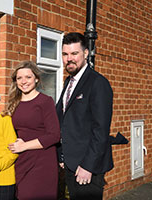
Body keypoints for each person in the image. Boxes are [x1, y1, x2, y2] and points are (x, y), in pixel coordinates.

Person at [56, 32, 114, 200]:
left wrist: (88, 166)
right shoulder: (69, 82)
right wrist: (62, 155)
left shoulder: (97, 83)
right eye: (65, 54)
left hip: (87, 167)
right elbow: (64, 120)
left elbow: (101, 130)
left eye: (74, 53)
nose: (69, 59)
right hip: (70, 163)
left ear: (86, 53)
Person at [6, 60, 61, 200]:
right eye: (19, 78)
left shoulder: (45, 101)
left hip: (42, 162)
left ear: (36, 79)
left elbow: (54, 135)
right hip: (21, 161)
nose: (24, 81)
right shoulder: (14, 103)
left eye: (28, 77)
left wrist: (24, 146)